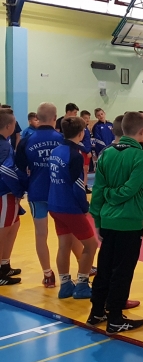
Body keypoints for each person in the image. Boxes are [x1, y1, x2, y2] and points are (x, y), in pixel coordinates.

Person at [87, 111, 143, 333]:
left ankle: (96, 311)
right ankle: (115, 317)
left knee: (104, 267)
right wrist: (114, 197)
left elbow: (98, 190)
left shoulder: (106, 153)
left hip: (107, 219)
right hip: (129, 220)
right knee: (123, 270)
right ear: (142, 131)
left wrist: (97, 219)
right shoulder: (140, 156)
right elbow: (132, 189)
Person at [17, 102, 78, 287]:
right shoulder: (63, 139)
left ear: (37, 118)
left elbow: (20, 168)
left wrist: (27, 185)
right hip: (60, 193)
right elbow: (73, 168)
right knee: (69, 232)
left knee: (40, 234)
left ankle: (48, 274)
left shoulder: (27, 140)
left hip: (37, 192)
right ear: (55, 118)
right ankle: (85, 264)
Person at [48, 117, 98, 300]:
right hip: (70, 207)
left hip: (55, 204)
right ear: (81, 133)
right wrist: (85, 207)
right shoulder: (75, 155)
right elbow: (77, 186)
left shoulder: (55, 151)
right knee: (91, 244)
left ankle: (65, 284)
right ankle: (82, 284)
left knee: (64, 245)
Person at [0, 110, 27, 285]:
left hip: (5, 191)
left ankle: (5, 264)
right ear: (9, 126)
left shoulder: (4, 143)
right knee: (3, 230)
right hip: (4, 192)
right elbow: (5, 170)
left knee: (14, 225)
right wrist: (18, 190)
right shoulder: (4, 146)